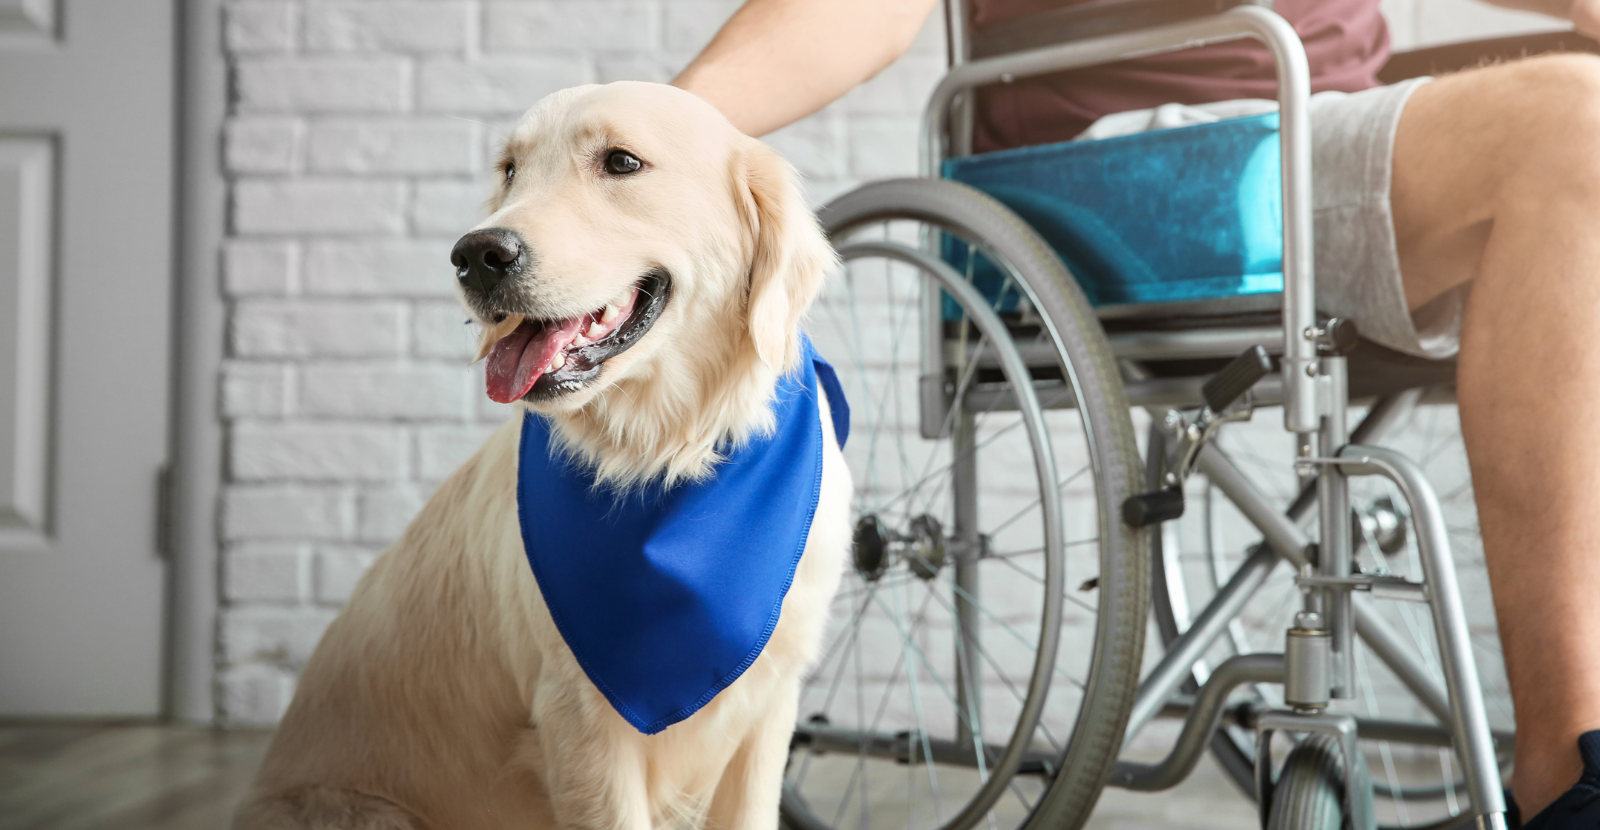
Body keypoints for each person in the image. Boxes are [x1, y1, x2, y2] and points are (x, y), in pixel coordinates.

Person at [673, 0, 1600, 827]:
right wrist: (660, 132)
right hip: (1136, 154)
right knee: (1576, 127)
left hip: (1338, 111)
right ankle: (1569, 778)